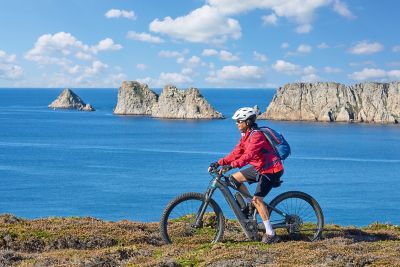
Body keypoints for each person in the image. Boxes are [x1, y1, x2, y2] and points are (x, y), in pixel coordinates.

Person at [208, 106, 284, 244]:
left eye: (239, 121)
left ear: (248, 122)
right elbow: (237, 152)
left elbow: (248, 156)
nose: (237, 124)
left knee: (258, 200)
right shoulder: (246, 136)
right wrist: (219, 162)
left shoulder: (257, 136)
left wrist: (231, 165)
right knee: (233, 179)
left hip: (271, 169)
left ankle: (271, 233)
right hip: (259, 167)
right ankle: (251, 207)